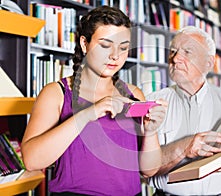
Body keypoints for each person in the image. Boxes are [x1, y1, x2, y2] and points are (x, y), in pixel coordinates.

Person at [21, 6, 166, 196]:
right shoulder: (56, 93)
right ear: (84, 43)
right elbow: (32, 160)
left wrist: (151, 130)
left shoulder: (133, 94)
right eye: (105, 45)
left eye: (123, 47)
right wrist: (87, 114)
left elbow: (149, 170)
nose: (115, 55)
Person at [146, 26, 221, 196]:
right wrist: (184, 148)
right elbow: (146, 169)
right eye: (173, 51)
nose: (175, 59)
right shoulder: (152, 104)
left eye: (187, 52)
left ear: (208, 63)